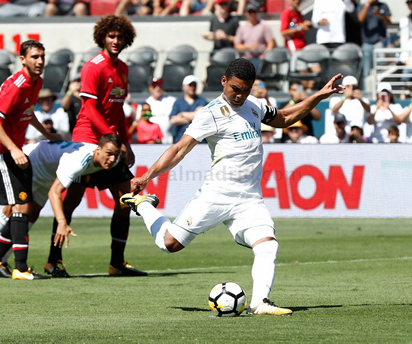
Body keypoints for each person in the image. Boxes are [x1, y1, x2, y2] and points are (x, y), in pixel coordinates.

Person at [120, 58, 344, 316]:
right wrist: (146, 177)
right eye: (235, 88)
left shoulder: (255, 106)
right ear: (224, 81)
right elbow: (180, 149)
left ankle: (260, 303)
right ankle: (145, 206)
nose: (240, 95)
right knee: (169, 244)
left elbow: (285, 117)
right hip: (217, 195)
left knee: (267, 245)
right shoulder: (210, 113)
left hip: (249, 198)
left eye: (245, 90)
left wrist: (318, 96)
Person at [44, 15, 147, 278]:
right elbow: (88, 108)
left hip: (111, 142)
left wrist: (126, 143)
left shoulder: (122, 68)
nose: (116, 40)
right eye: (111, 36)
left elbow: (118, 110)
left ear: (127, 40)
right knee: (72, 201)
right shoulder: (93, 67)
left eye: (120, 37)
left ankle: (117, 263)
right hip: (88, 143)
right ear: (102, 37)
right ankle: (53, 261)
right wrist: (114, 141)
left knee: (125, 201)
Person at [0, 134, 122, 278]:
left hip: (47, 174)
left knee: (31, 214)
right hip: (31, 162)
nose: (112, 159)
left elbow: (122, 158)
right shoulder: (79, 161)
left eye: (115, 155)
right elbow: (54, 193)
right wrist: (61, 222)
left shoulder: (114, 160)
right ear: (98, 150)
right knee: (12, 210)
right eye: (108, 154)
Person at [0, 39, 62, 279]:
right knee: (17, 206)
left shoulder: (36, 82)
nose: (40, 61)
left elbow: (28, 112)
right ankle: (14, 266)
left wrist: (46, 134)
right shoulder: (17, 84)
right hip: (0, 151)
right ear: (23, 59)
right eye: (35, 57)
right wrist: (14, 150)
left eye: (42, 57)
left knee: (20, 205)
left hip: (13, 150)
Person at [234, 1, 276, 72]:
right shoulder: (242, 28)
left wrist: (265, 55)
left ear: (257, 12)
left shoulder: (264, 26)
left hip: (260, 59)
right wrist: (248, 47)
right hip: (245, 59)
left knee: (255, 69)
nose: (252, 14)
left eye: (254, 11)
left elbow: (271, 43)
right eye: (250, 12)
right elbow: (236, 45)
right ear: (246, 13)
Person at [357, 0, 392, 81]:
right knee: (367, 70)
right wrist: (368, 4)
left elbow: (389, 22)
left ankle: (381, 88)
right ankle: (368, 91)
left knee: (382, 68)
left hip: (380, 41)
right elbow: (360, 19)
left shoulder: (383, 5)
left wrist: (379, 14)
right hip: (367, 42)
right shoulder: (362, 6)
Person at [169, 75, 208, 143]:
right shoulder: (178, 102)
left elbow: (204, 118)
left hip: (199, 141)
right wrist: (194, 118)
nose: (192, 87)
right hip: (181, 140)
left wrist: (182, 114)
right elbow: (173, 120)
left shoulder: (202, 101)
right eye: (190, 85)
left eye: (194, 85)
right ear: (183, 87)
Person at [145, 78, 176, 144]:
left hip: (168, 141)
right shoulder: (146, 104)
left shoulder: (172, 101)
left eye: (159, 86)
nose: (157, 88)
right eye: (154, 86)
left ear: (163, 87)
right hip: (151, 143)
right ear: (150, 88)